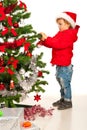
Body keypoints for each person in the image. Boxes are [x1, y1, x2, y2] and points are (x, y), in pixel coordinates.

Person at [39, 11, 80, 110]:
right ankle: (63, 98)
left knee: (65, 83)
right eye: (58, 24)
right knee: (60, 81)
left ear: (68, 24)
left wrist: (46, 38)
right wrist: (44, 41)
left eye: (60, 24)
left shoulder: (69, 34)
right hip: (60, 63)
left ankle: (68, 101)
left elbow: (57, 44)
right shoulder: (61, 33)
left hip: (65, 65)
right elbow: (53, 41)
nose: (58, 26)